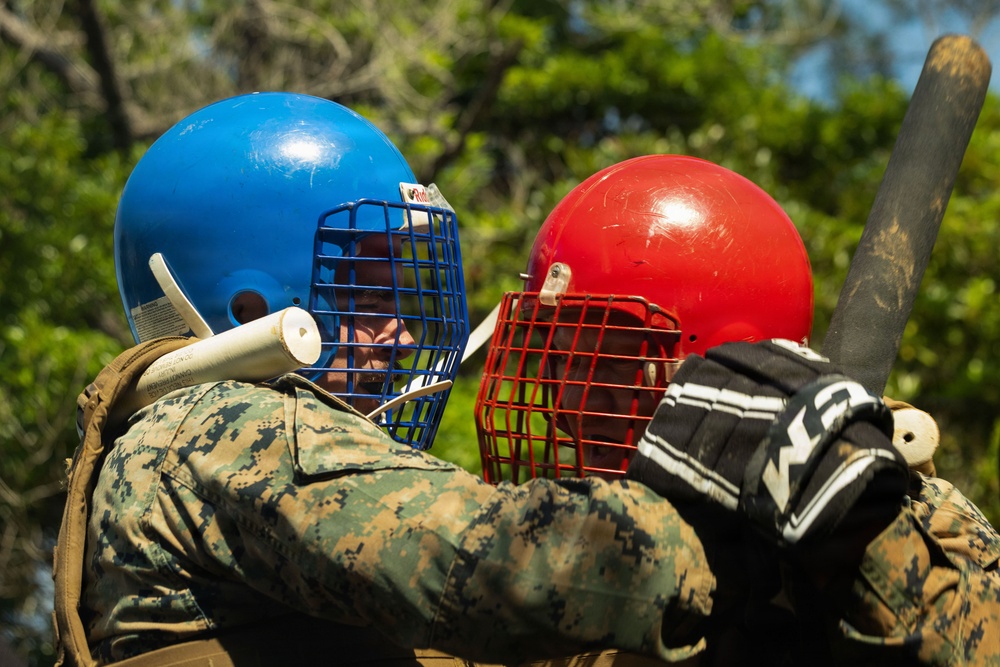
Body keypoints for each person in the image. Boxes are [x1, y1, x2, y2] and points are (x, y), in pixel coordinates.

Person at [54, 93, 741, 667]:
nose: (404, 336)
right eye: (374, 301)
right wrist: (724, 528)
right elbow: (501, 564)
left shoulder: (159, 442)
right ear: (252, 310)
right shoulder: (226, 425)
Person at [474, 154, 1000, 665]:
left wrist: (855, 542)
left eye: (604, 361)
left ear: (729, 368)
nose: (566, 402)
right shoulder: (568, 535)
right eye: (557, 356)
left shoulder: (919, 524)